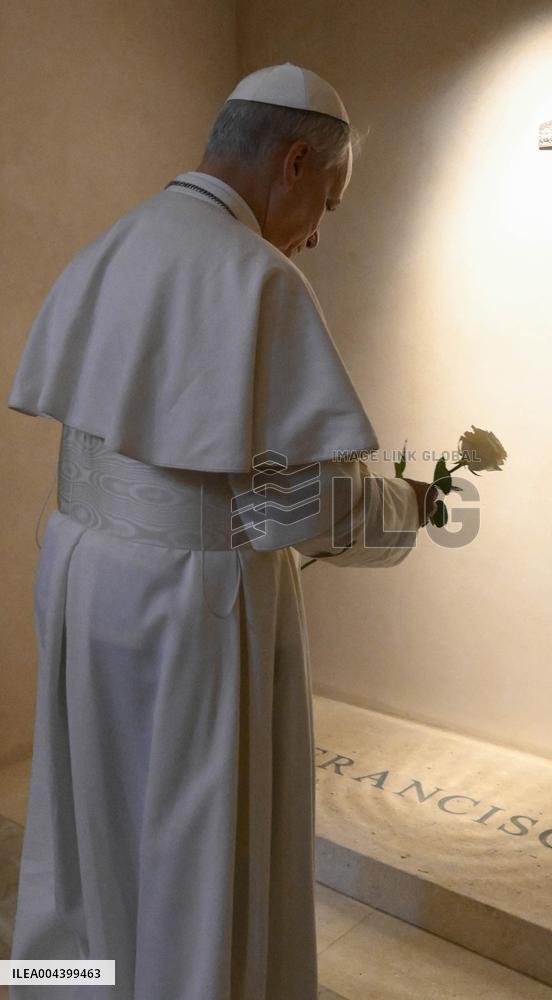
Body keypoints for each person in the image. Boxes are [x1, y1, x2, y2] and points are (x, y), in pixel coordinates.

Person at [6, 63, 438, 999]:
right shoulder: (256, 278)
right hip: (186, 610)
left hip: (81, 574)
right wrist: (410, 508)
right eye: (328, 198)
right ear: (293, 162)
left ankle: (62, 986)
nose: (318, 231)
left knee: (85, 829)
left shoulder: (111, 245)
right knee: (194, 852)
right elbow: (299, 508)